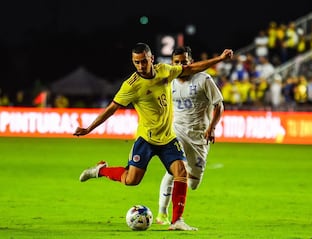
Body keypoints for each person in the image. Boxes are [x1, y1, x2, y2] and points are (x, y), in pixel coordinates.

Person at [73, 42, 233, 231]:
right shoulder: (131, 85)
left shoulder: (164, 71)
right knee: (132, 180)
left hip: (168, 138)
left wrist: (220, 59)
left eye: (143, 61)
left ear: (152, 59)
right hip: (146, 140)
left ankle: (177, 221)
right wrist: (89, 128)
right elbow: (111, 109)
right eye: (136, 62)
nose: (140, 66)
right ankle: (101, 170)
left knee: (181, 173)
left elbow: (190, 68)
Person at [155, 46, 224, 225]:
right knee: (175, 170)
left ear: (191, 62)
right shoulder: (168, 81)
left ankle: (170, 209)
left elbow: (219, 105)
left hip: (199, 135)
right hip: (176, 131)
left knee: (193, 182)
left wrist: (212, 127)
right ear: (172, 63)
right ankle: (162, 213)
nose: (180, 65)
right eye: (176, 62)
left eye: (184, 62)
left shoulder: (204, 79)